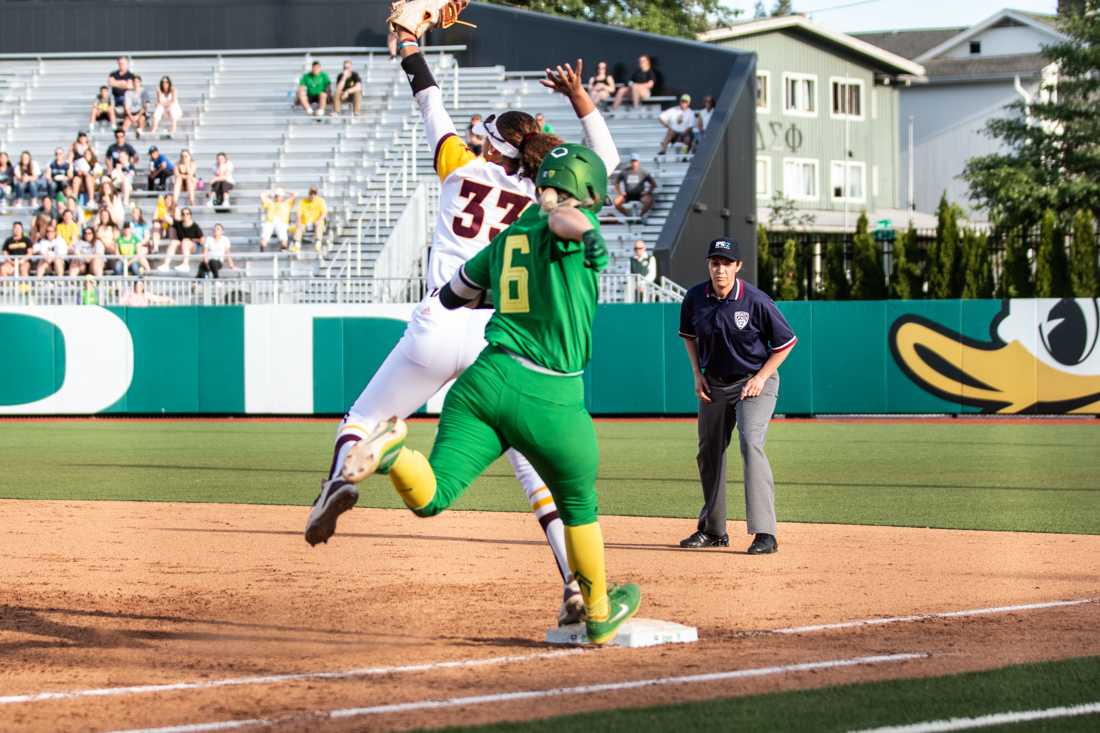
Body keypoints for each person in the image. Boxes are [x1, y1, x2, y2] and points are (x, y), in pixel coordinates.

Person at [303, 13, 620, 627]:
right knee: (540, 478)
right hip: (505, 342)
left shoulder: (460, 166)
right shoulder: (545, 194)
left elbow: (429, 100)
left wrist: (411, 47)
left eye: (482, 139)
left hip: (441, 316)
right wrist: (581, 100)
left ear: (489, 147)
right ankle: (576, 587)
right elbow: (600, 160)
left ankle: (341, 478)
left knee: (363, 418)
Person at [678, 239, 797, 555]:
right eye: (715, 262)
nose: (720, 268)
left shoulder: (755, 300)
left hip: (754, 382)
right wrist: (696, 373)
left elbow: (786, 342)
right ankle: (714, 530)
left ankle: (765, 533)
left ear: (737, 267)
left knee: (750, 442)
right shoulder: (695, 298)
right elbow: (689, 336)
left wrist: (760, 378)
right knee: (709, 451)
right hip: (714, 383)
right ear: (709, 265)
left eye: (726, 263)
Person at [159, 206, 203, 272]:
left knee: (185, 241)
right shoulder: (179, 224)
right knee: (174, 242)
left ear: (190, 215)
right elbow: (165, 217)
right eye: (183, 214)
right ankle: (166, 264)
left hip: (194, 247)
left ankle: (186, 264)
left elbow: (202, 240)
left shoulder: (195, 226)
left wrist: (191, 240)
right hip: (183, 246)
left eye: (187, 213)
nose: (185, 215)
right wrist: (172, 210)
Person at [613, 153, 656, 219]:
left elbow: (653, 184)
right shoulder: (624, 172)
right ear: (630, 162)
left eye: (635, 161)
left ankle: (640, 216)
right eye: (632, 161)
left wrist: (648, 192)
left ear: (638, 162)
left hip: (640, 195)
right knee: (616, 202)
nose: (634, 163)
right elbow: (616, 183)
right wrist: (620, 193)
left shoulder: (643, 172)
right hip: (628, 195)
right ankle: (628, 215)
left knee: (649, 201)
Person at [293, 187, 327, 253]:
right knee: (298, 226)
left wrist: (319, 220)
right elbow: (299, 213)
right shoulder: (303, 201)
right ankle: (297, 244)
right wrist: (299, 221)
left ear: (316, 194)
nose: (312, 195)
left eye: (314, 194)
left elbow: (324, 213)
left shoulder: (321, 201)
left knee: (319, 225)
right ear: (309, 194)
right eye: (311, 194)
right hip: (305, 223)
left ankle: (318, 243)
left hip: (316, 222)